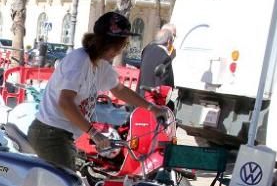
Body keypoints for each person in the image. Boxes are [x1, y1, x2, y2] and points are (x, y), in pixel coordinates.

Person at [27, 11, 168, 171]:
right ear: (110, 43)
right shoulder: (79, 61)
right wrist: (94, 133)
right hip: (50, 133)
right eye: (123, 44)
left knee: (72, 184)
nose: (122, 49)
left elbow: (119, 90)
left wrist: (152, 109)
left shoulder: (99, 65)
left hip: (62, 135)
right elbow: (65, 102)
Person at [138, 23, 176, 93]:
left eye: (174, 36)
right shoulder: (161, 53)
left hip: (142, 93)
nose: (173, 39)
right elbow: (162, 81)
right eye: (172, 35)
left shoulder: (148, 48)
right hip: (152, 96)